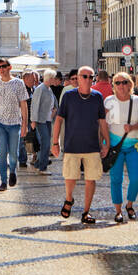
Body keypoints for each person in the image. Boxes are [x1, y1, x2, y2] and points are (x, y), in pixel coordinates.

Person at [51, 66, 109, 222]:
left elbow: (102, 121)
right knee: (70, 177)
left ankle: (86, 212)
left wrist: (106, 142)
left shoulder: (97, 97)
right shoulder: (69, 96)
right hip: (72, 145)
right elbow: (59, 119)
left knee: (91, 178)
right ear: (77, 78)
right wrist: (55, 142)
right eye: (85, 76)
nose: (89, 80)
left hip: (92, 146)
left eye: (91, 77)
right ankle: (69, 199)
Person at [105, 72, 138, 223]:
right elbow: (102, 124)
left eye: (124, 82)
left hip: (133, 145)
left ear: (130, 84)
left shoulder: (137, 101)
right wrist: (102, 144)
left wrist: (133, 126)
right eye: (117, 83)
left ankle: (130, 205)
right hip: (115, 146)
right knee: (116, 178)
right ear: (113, 86)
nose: (121, 86)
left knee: (137, 177)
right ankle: (118, 211)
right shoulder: (109, 101)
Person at [0, 60, 30, 193]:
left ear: (9, 67)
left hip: (15, 122)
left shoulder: (18, 83)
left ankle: (13, 172)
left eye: (4, 66)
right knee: (2, 152)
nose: (1, 69)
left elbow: (23, 104)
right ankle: (3, 181)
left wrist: (25, 124)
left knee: (14, 153)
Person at [30, 70, 57, 174]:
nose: (55, 80)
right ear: (50, 78)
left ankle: (38, 164)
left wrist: (55, 110)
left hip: (47, 120)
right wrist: (34, 120)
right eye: (54, 78)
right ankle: (42, 167)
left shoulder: (49, 89)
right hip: (41, 120)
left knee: (46, 143)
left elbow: (54, 103)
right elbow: (35, 105)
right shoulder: (40, 89)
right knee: (45, 143)